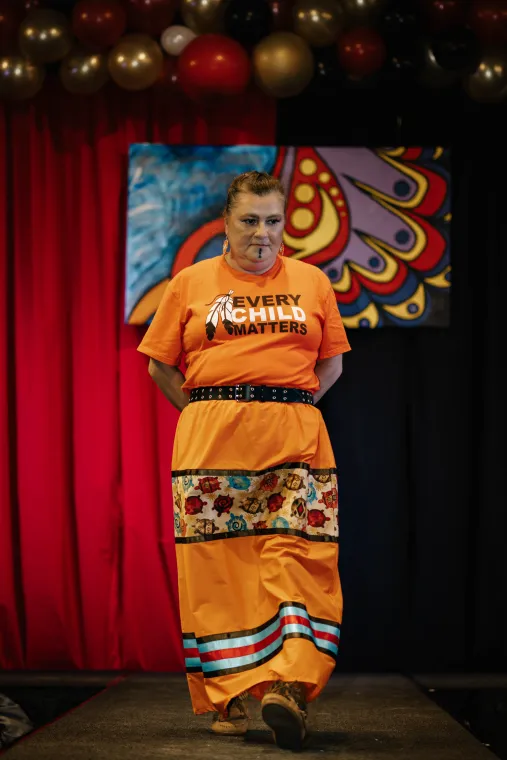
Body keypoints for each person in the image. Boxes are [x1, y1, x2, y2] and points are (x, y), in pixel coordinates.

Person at [137, 170, 351, 751]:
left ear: (286, 224)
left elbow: (331, 364)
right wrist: (207, 409)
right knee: (219, 567)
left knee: (296, 556)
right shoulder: (189, 282)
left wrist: (290, 408)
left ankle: (287, 687)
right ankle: (225, 690)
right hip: (212, 439)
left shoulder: (312, 283)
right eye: (250, 221)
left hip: (294, 438)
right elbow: (159, 363)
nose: (263, 233)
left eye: (273, 221)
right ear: (226, 224)